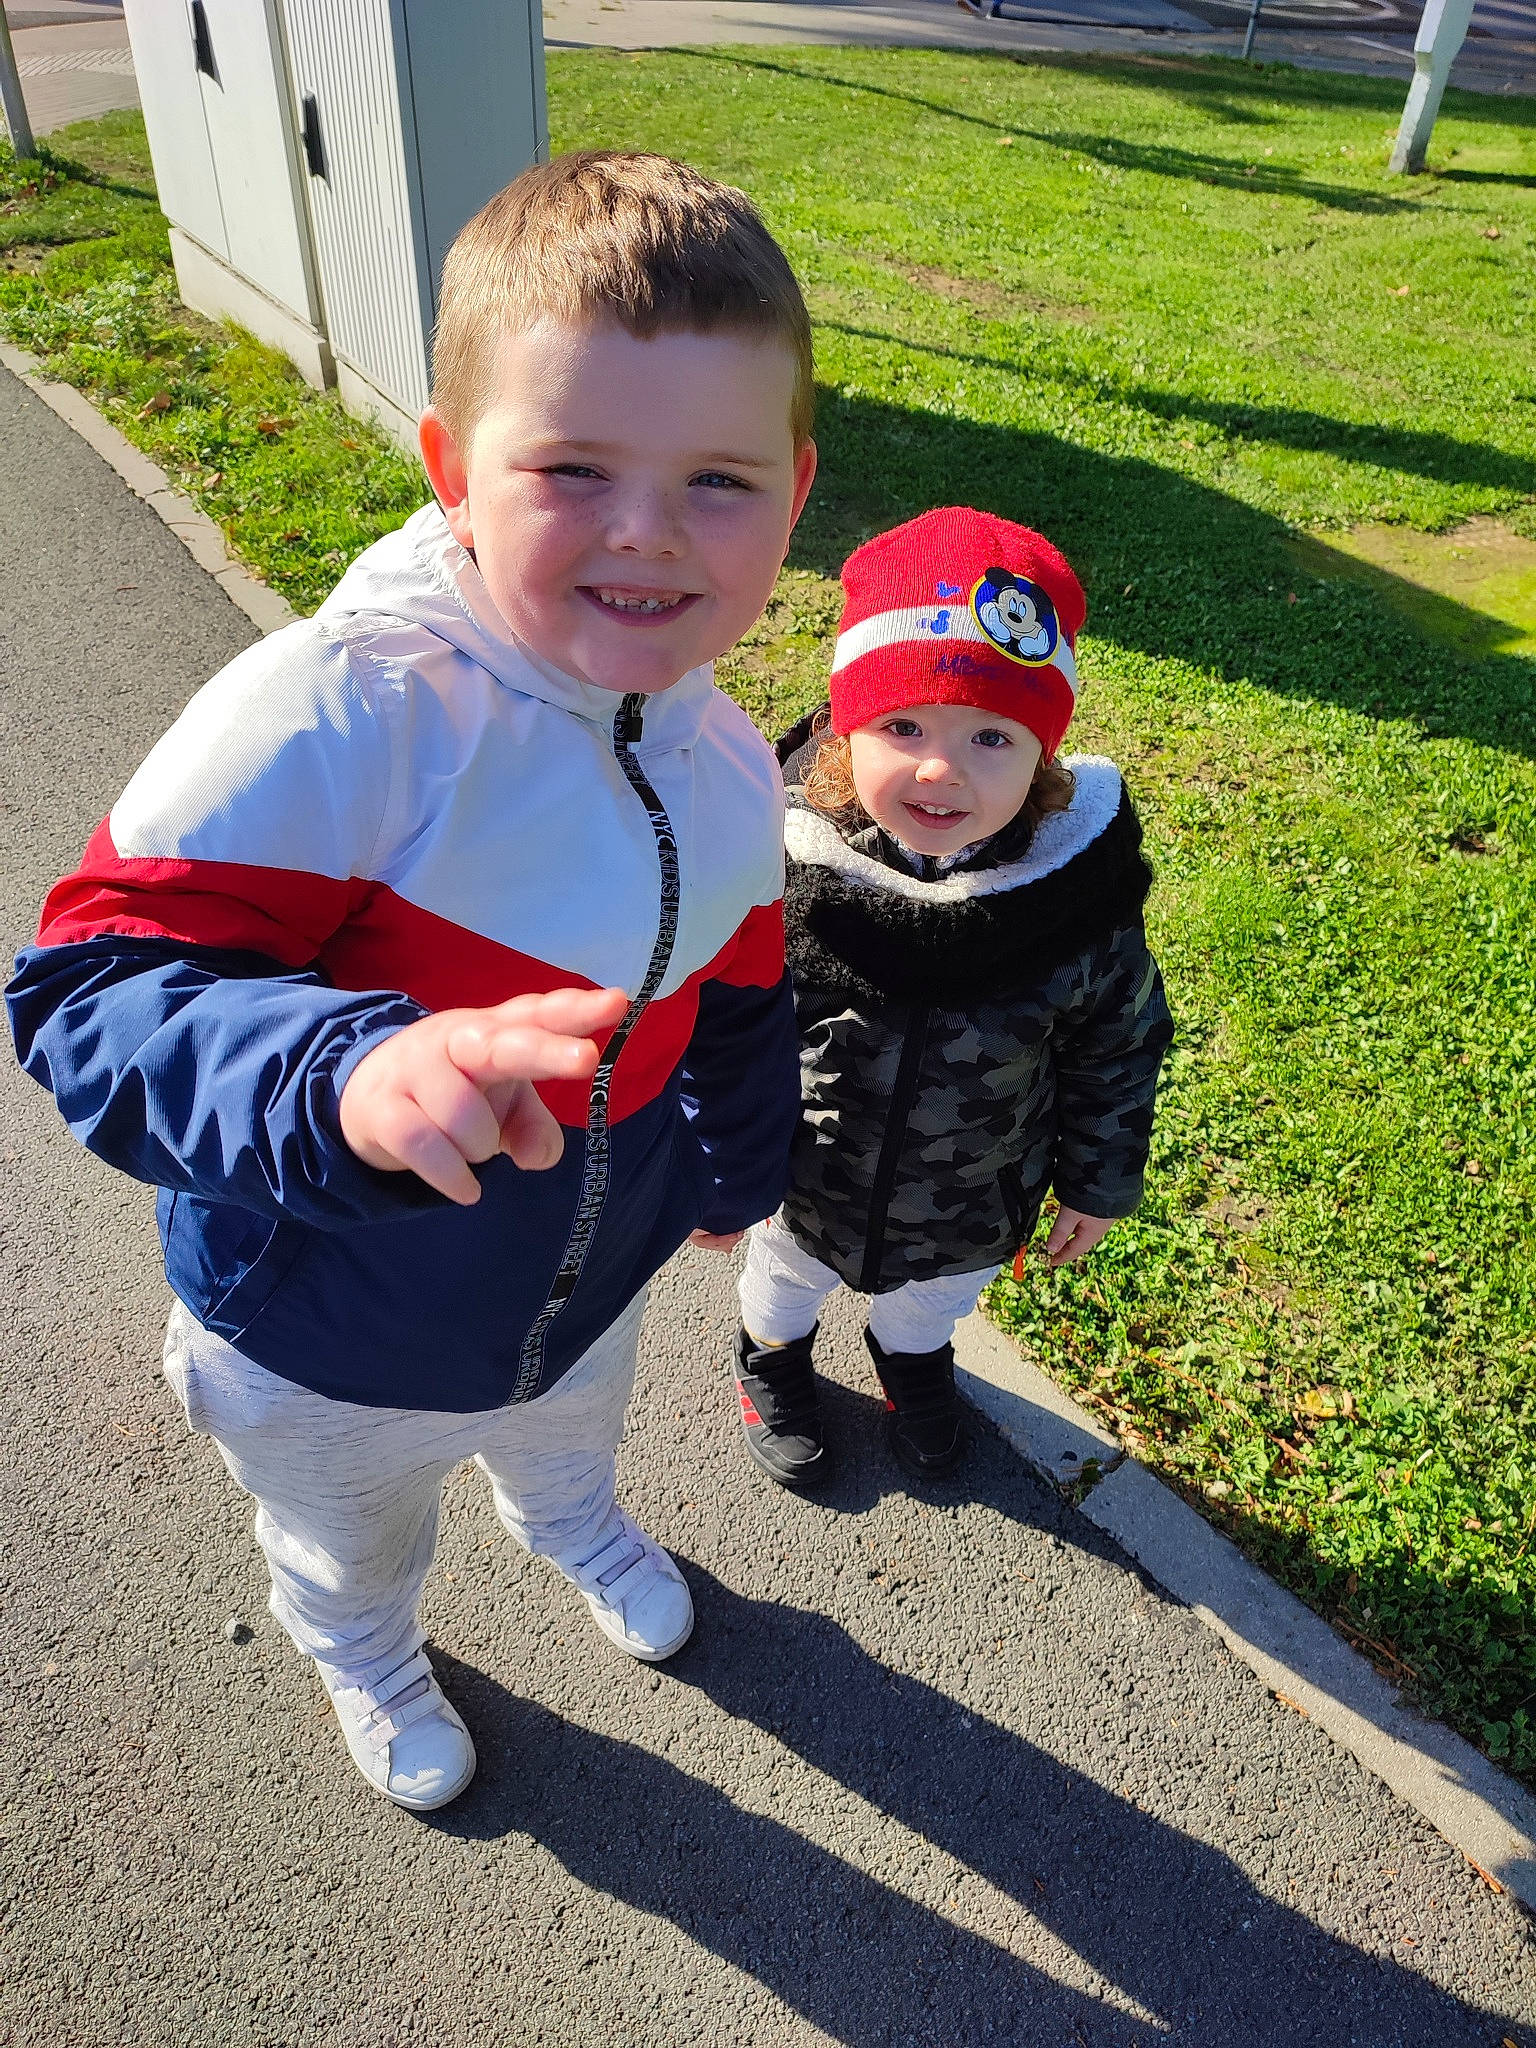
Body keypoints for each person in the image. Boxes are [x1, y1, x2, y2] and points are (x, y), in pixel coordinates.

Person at [7, 151, 817, 1811]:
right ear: (452, 468)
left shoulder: (729, 756)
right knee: (347, 1523)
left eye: (716, 481)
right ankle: (363, 1644)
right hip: (325, 1316)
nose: (647, 533)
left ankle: (570, 1513)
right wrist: (339, 1073)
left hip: (581, 1269)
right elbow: (87, 983)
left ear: (794, 493)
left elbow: (735, 977)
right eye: (573, 466)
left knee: (567, 1420)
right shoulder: (351, 710)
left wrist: (736, 1162)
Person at [730, 508, 1173, 1487]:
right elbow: (721, 1018)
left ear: (1043, 757)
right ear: (848, 731)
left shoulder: (1073, 905)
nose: (940, 766)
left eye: (990, 735)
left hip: (975, 1196)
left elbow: (1118, 1046)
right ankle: (770, 1351)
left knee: (932, 1299)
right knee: (785, 1277)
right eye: (903, 725)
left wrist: (1098, 1182)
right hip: (804, 1178)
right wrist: (714, 1152)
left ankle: (912, 1355)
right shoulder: (783, 869)